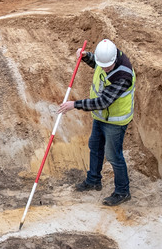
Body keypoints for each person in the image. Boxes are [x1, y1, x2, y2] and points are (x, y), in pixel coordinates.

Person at [58, 38, 136, 206]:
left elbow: (102, 102)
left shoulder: (123, 76)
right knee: (95, 146)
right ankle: (93, 180)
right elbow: (98, 64)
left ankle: (123, 192)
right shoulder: (107, 60)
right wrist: (87, 57)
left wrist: (74, 104)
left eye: (107, 65)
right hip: (101, 116)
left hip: (115, 121)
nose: (104, 68)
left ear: (114, 60)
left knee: (113, 156)